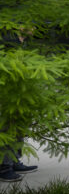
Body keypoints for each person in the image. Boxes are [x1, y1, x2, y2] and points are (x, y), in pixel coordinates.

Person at [1, 28, 38, 183]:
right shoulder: (7, 38)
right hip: (7, 89)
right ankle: (4, 167)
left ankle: (15, 160)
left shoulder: (24, 41)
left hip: (21, 89)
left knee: (19, 127)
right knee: (7, 127)